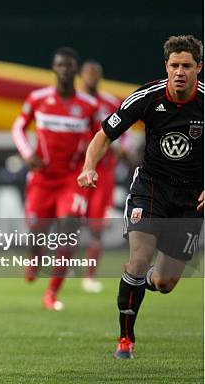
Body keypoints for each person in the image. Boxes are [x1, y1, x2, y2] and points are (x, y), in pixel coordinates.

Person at [77, 35, 204, 359]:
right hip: (151, 187)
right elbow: (104, 134)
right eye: (174, 65)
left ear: (198, 68)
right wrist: (89, 167)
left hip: (191, 196)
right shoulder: (147, 97)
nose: (179, 72)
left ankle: (142, 281)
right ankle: (125, 339)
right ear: (166, 66)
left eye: (186, 66)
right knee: (138, 258)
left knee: (165, 282)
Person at [12, 47, 98, 310]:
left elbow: (101, 136)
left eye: (69, 66)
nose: (64, 70)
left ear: (76, 70)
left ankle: (52, 292)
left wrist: (90, 166)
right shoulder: (37, 98)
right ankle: (34, 257)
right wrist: (27, 154)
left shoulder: (89, 106)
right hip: (41, 177)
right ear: (53, 68)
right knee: (36, 231)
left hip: (71, 178)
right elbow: (18, 127)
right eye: (59, 65)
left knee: (69, 230)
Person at [79, 60, 123, 293]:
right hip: (74, 171)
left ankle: (89, 276)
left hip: (103, 172)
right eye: (88, 74)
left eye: (96, 74)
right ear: (81, 76)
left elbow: (124, 134)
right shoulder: (73, 101)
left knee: (96, 226)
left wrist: (123, 147)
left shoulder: (110, 103)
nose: (92, 78)